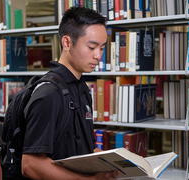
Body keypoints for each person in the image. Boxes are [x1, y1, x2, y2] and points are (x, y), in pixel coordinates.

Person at [21, 7, 118, 180]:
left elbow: (80, 147)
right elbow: (30, 165)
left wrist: (113, 162)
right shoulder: (48, 94)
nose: (98, 56)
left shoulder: (82, 89)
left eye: (102, 48)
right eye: (91, 47)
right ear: (67, 43)